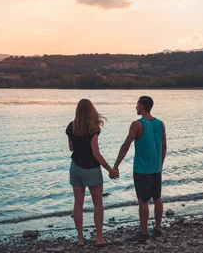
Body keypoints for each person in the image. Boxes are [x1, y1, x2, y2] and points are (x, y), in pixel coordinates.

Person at [113, 95, 167, 243]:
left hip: (142, 170)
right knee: (157, 198)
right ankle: (157, 229)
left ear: (142, 105)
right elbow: (164, 147)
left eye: (137, 104)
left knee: (142, 201)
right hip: (156, 169)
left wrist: (115, 166)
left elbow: (125, 146)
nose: (136, 107)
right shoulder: (160, 124)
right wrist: (160, 165)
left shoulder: (137, 124)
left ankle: (143, 233)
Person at [66, 98, 118, 247]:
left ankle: (80, 238)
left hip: (75, 167)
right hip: (91, 169)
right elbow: (96, 153)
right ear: (91, 110)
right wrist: (110, 169)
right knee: (97, 203)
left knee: (78, 204)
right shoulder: (93, 128)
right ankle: (99, 237)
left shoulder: (71, 126)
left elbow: (71, 148)